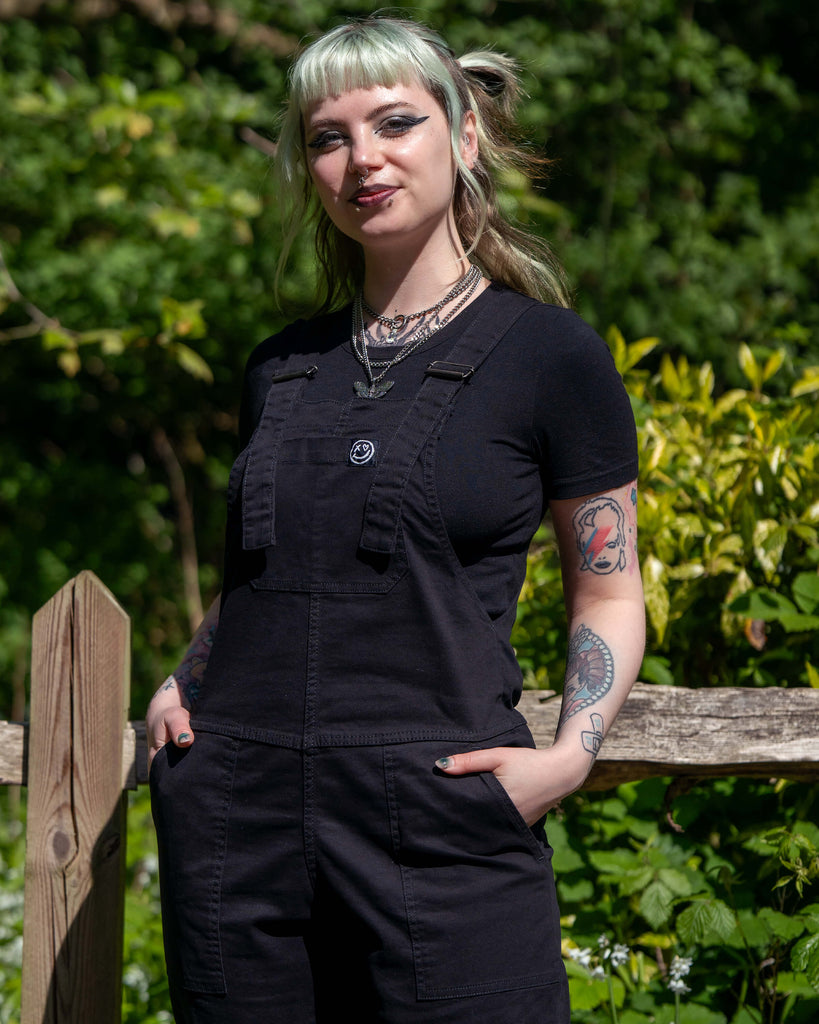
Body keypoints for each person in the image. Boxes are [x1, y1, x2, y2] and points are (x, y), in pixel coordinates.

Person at [146, 15, 645, 1024]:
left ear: (463, 137)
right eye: (329, 137)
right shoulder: (280, 367)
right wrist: (185, 676)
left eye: (394, 123)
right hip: (239, 828)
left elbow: (610, 587)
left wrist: (568, 757)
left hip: (443, 824)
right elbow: (265, 574)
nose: (362, 158)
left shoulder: (551, 357)